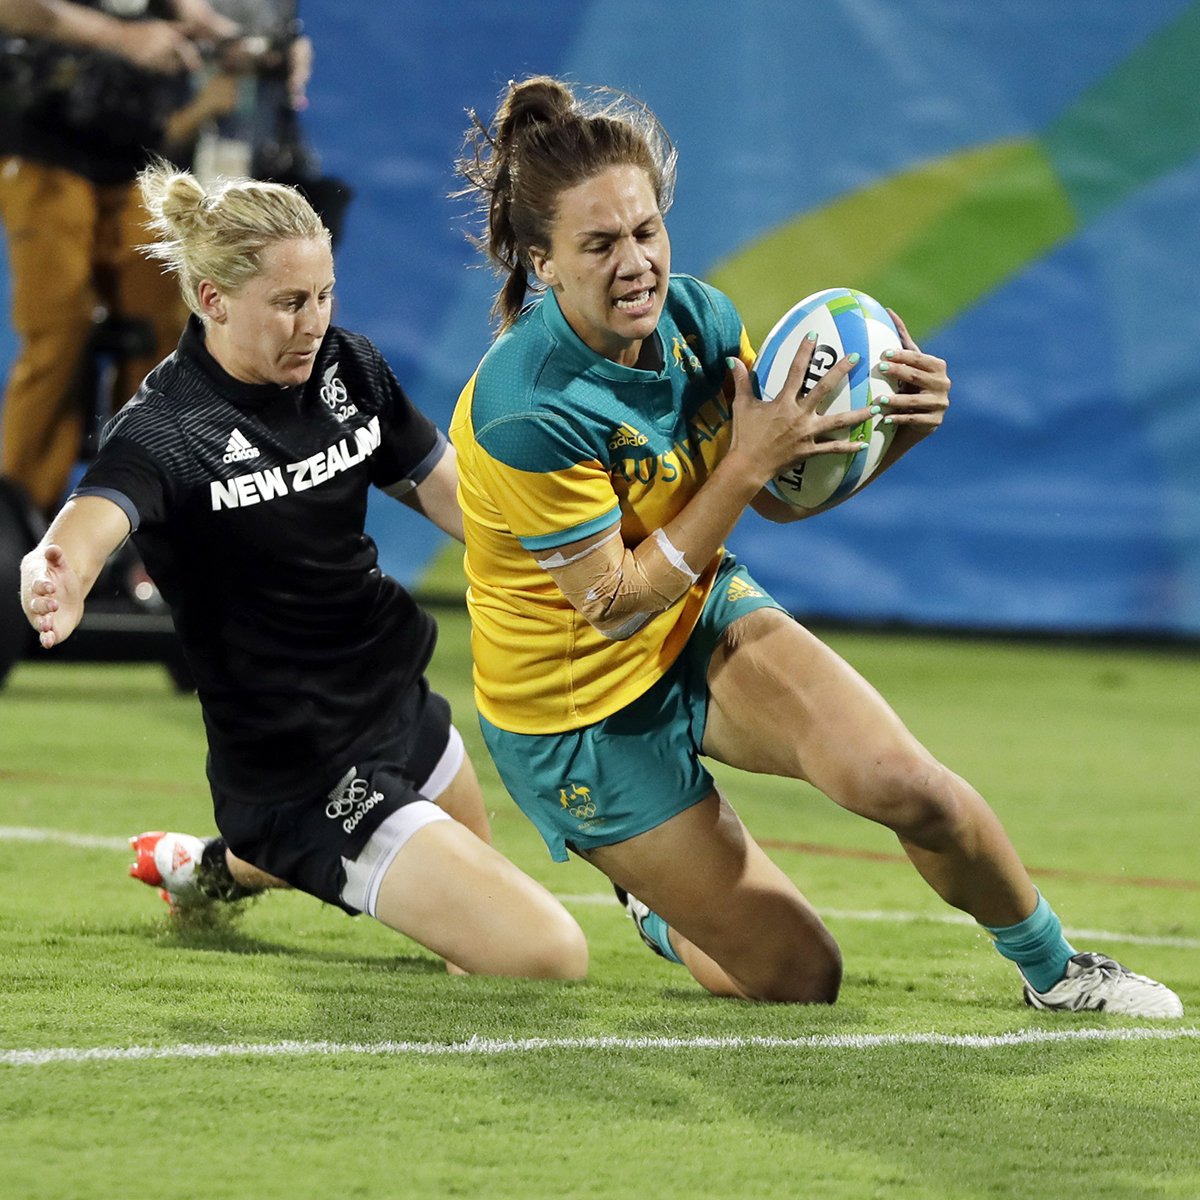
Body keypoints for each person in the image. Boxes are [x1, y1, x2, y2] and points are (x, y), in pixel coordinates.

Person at [448, 75, 1183, 1015]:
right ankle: (660, 904)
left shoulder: (698, 320)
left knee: (906, 785)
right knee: (799, 978)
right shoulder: (523, 408)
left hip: (697, 617)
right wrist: (748, 467)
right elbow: (617, 599)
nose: (636, 263)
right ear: (544, 265)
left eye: (646, 231)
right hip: (575, 716)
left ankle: (1060, 972)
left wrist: (889, 436)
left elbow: (776, 496)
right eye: (599, 245)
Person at [19, 161, 588, 980]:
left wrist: (578, 568)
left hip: (398, 707)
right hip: (298, 768)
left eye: (324, 295)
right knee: (547, 954)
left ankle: (208, 867)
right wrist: (58, 571)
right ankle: (262, 841)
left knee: (485, 952)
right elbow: (91, 520)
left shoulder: (346, 367)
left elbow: (456, 496)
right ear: (212, 299)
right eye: (289, 302)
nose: (313, 322)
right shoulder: (167, 427)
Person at [0, 0, 240, 517]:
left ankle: (139, 512)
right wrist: (119, 35)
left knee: (165, 334)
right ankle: (18, 523)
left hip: (145, 150)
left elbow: (214, 21)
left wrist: (241, 42)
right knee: (59, 328)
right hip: (46, 142)